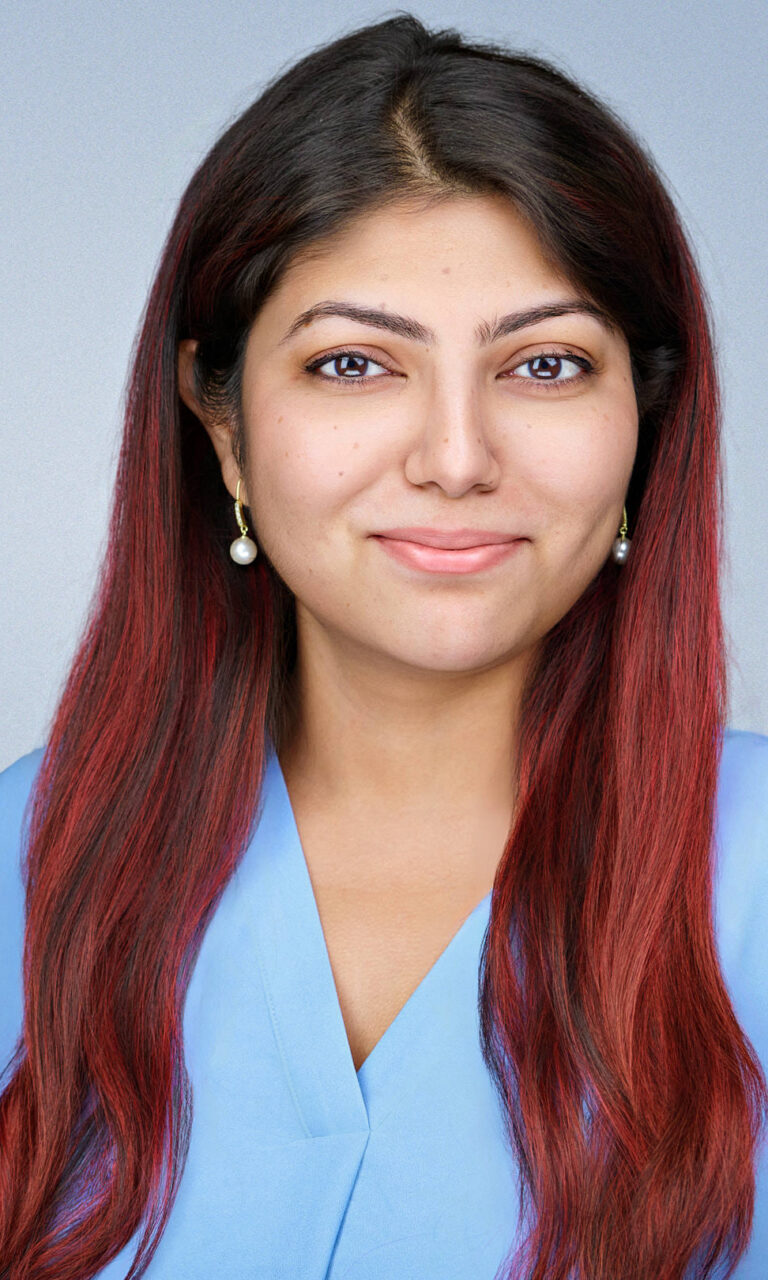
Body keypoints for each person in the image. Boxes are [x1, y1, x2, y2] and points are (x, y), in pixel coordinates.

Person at [1, 12, 766, 1280]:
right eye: (354, 363)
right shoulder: (28, 857)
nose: (456, 458)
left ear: (646, 410)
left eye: (546, 364)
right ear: (223, 421)